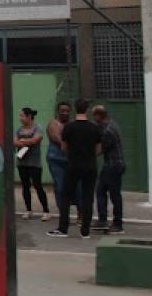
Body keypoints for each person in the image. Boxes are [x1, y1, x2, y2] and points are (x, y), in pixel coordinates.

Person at [48, 98, 101, 239]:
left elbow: (64, 147)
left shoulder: (69, 127)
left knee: (65, 196)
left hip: (73, 165)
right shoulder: (94, 127)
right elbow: (98, 149)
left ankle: (63, 228)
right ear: (87, 110)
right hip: (90, 166)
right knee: (88, 197)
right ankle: (85, 231)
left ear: (75, 109)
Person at [92, 104, 125, 234]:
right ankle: (105, 220)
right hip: (115, 164)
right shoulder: (112, 125)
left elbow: (100, 150)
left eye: (95, 116)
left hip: (112, 165)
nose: (94, 119)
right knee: (104, 191)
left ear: (99, 116)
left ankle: (116, 223)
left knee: (110, 193)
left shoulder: (107, 131)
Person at [14, 107, 49, 220]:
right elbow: (14, 141)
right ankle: (28, 210)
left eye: (22, 115)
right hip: (22, 162)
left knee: (38, 185)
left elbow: (36, 140)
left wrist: (23, 141)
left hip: (34, 163)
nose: (20, 118)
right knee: (25, 186)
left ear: (29, 116)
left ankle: (46, 211)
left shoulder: (37, 128)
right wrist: (24, 142)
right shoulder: (19, 129)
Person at [45, 101, 72, 220]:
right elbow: (57, 139)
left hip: (70, 160)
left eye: (67, 111)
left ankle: (80, 214)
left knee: (76, 187)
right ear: (58, 112)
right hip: (56, 160)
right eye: (62, 111)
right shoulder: (53, 124)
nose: (65, 113)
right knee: (60, 186)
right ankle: (63, 214)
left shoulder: (72, 124)